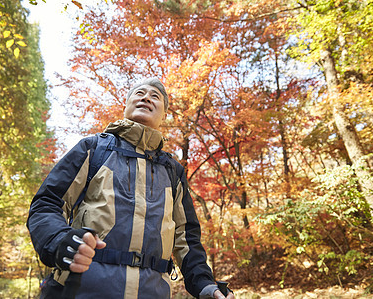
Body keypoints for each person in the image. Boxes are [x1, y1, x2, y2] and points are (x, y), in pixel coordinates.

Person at [27, 78, 234, 299]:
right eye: (140, 93)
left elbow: (187, 238)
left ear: (164, 114)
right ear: (126, 106)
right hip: (79, 291)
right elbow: (46, 204)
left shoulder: (173, 171)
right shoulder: (93, 149)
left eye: (155, 96)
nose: (146, 97)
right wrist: (60, 240)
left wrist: (205, 285)